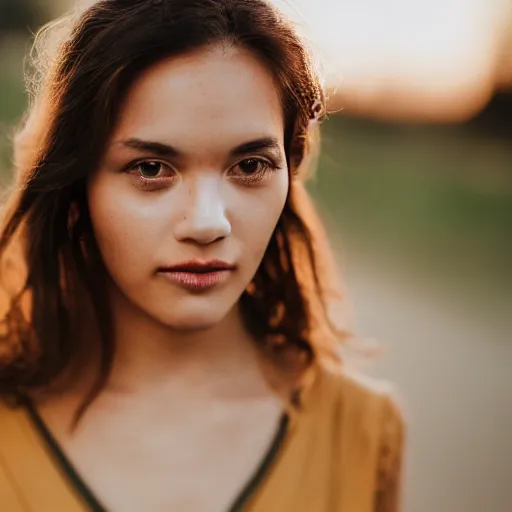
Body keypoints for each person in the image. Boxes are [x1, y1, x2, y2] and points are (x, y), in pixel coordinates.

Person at [0, 1, 405, 511]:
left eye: (251, 164)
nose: (208, 223)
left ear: (291, 168)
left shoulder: (362, 433)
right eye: (150, 168)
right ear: (78, 186)